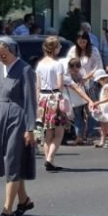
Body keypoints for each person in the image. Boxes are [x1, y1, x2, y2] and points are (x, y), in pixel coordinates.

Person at [0, 37, 38, 216]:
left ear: (13, 51)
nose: (0, 57)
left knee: (13, 161)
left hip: (17, 119)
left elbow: (30, 101)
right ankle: (24, 201)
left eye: (4, 54)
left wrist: (30, 128)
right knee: (8, 161)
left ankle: (7, 211)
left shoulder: (25, 70)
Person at [35, 37, 67, 171]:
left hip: (43, 98)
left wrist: (38, 102)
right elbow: (59, 85)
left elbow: (38, 85)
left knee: (48, 133)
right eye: (59, 46)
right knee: (59, 132)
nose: (60, 48)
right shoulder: (57, 65)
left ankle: (50, 161)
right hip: (54, 97)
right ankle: (49, 159)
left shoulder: (40, 64)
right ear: (55, 48)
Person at [64, 58, 94, 145]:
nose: (76, 72)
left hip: (82, 97)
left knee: (85, 116)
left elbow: (85, 83)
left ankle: (84, 136)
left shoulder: (81, 71)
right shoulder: (66, 74)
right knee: (78, 117)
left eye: (77, 69)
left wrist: (84, 80)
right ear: (70, 67)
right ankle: (80, 136)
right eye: (74, 70)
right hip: (75, 98)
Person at [90, 69, 108, 148]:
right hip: (104, 107)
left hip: (107, 108)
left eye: (100, 80)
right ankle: (102, 141)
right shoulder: (105, 86)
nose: (99, 81)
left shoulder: (106, 86)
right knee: (103, 126)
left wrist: (98, 102)